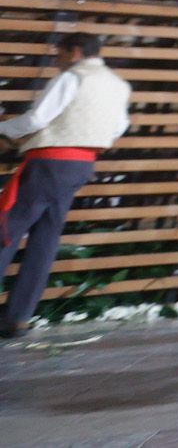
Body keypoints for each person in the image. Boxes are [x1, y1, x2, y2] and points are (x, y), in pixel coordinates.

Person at [0, 33, 131, 337]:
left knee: (7, 228)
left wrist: (3, 128)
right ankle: (18, 317)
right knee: (46, 238)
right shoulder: (117, 84)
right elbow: (118, 127)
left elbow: (37, 120)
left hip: (49, 161)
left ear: (74, 51)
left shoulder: (72, 77)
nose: (55, 59)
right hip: (82, 164)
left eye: (58, 53)